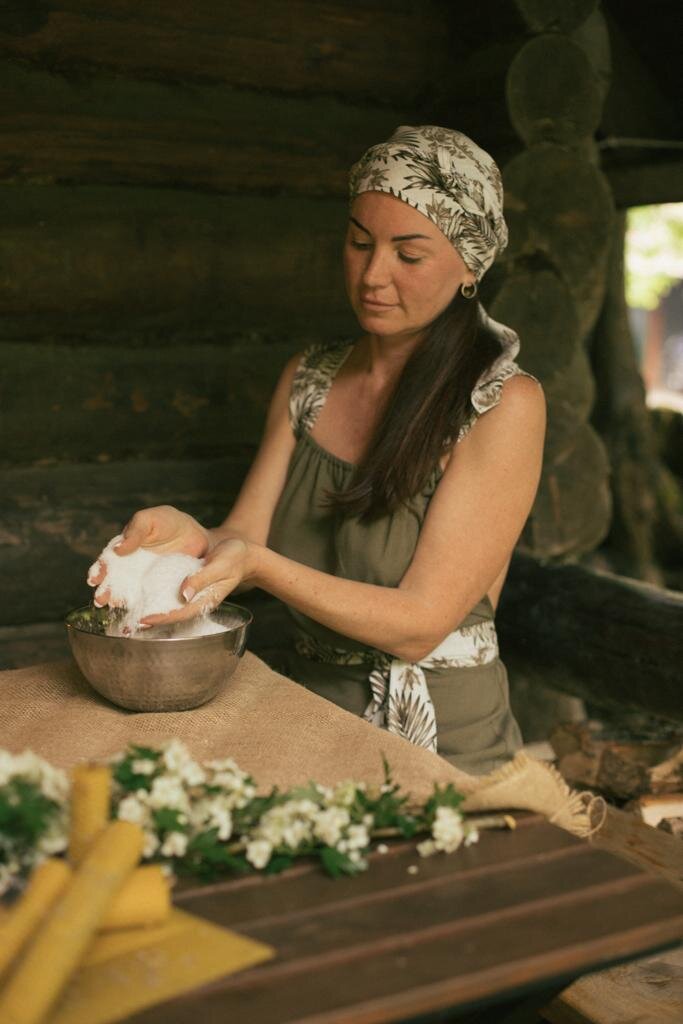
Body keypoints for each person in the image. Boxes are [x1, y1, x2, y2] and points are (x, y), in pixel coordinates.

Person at [88, 126, 546, 775]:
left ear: (469, 265)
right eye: (359, 242)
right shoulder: (310, 379)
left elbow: (421, 622)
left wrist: (259, 565)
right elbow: (242, 537)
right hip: (303, 718)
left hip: (441, 744)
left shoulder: (500, 405)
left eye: (407, 255)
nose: (372, 274)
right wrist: (187, 540)